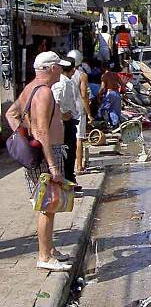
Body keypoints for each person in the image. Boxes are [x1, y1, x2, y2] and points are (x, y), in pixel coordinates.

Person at [6, 51, 72, 272]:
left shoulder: (29, 88)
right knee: (46, 206)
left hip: (42, 152)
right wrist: (53, 165)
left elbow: (11, 114)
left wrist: (24, 135)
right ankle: (44, 256)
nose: (61, 70)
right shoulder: (43, 92)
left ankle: (50, 250)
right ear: (50, 68)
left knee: (49, 205)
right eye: (59, 66)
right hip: (46, 154)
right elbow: (42, 130)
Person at [51, 57, 79, 185]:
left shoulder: (66, 81)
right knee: (68, 153)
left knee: (69, 153)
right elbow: (56, 102)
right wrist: (62, 116)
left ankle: (69, 180)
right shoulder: (63, 83)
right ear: (73, 69)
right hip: (65, 123)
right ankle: (68, 181)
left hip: (68, 121)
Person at [67, 50, 94, 175]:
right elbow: (84, 96)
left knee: (67, 139)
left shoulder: (62, 75)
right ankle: (79, 166)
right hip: (79, 109)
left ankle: (68, 167)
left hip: (66, 109)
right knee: (79, 139)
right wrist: (89, 114)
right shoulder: (82, 75)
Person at [97, 62, 126, 128]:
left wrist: (98, 94)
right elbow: (123, 84)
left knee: (103, 108)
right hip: (117, 93)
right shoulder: (115, 74)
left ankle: (100, 122)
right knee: (115, 110)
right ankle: (115, 124)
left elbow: (102, 87)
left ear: (103, 68)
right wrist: (124, 93)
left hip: (110, 93)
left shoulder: (104, 75)